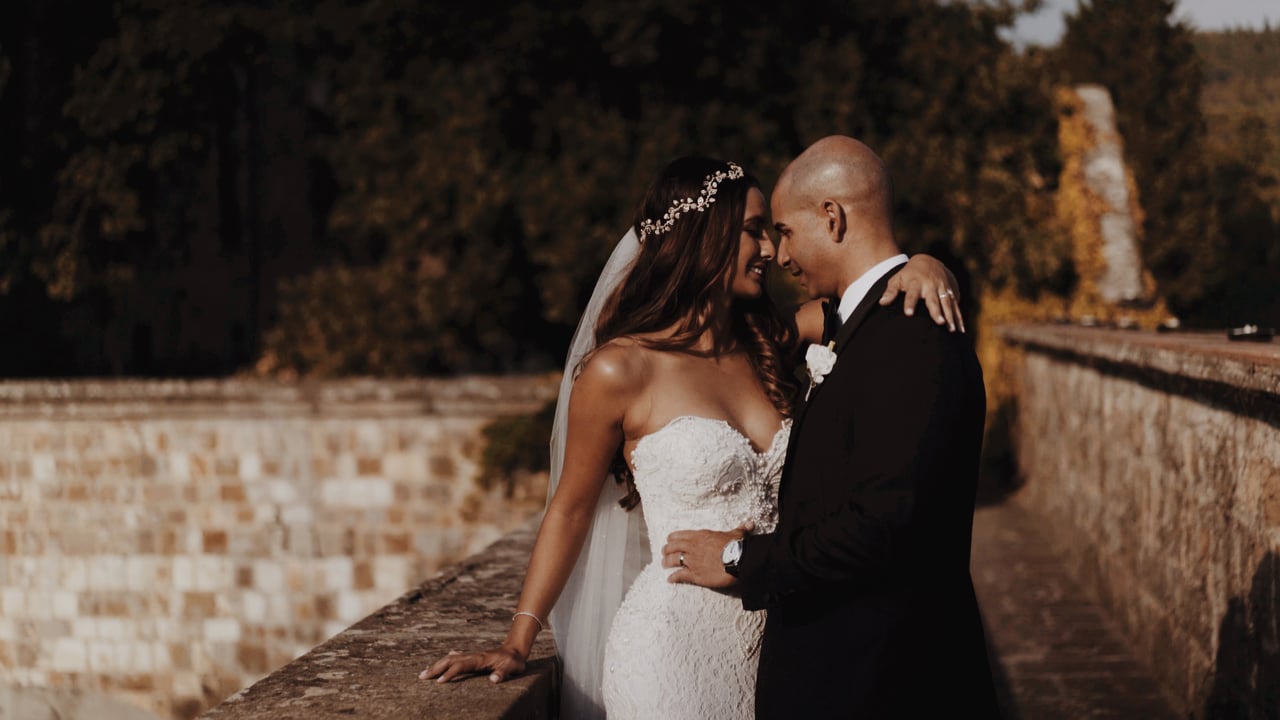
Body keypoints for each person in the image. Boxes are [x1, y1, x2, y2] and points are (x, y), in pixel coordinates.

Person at [420, 155, 966, 719]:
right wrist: (518, 640)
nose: (772, 252)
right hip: (674, 652)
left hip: (783, 644)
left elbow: (865, 306)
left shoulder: (769, 342)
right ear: (703, 237)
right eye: (755, 231)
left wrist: (923, 265)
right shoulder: (619, 371)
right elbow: (571, 508)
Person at [664, 137, 999, 718]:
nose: (778, 253)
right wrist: (928, 261)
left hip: (884, 683)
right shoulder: (857, 323)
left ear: (832, 217)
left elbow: (883, 525)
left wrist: (741, 557)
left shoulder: (911, 335)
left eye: (785, 231)